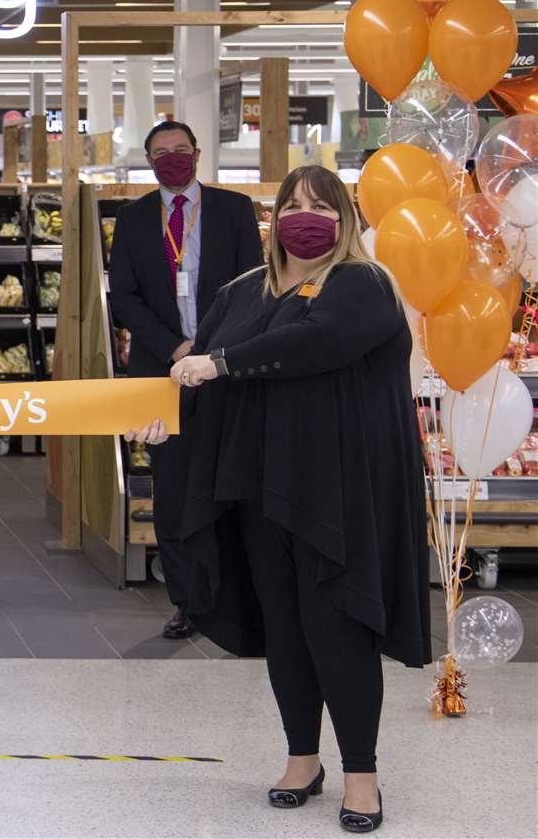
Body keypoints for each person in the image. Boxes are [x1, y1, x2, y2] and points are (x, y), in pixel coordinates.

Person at [159, 165, 427, 834]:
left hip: (332, 488)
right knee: (284, 629)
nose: (302, 216)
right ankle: (301, 759)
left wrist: (217, 364)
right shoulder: (241, 291)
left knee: (337, 628)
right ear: (271, 216)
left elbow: (315, 343)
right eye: (290, 204)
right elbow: (201, 383)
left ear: (346, 218)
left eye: (320, 206)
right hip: (257, 487)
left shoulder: (363, 283)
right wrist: (159, 410)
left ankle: (360, 776)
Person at [106, 119, 262, 640]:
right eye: (160, 152)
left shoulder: (235, 210)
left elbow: (253, 287)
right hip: (158, 375)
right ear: (148, 161)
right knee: (172, 489)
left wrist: (212, 351)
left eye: (180, 150)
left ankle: (234, 595)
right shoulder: (130, 220)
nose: (171, 158)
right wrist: (175, 347)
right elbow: (124, 296)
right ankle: (188, 602)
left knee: (227, 482)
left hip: (224, 371)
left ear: (197, 154)